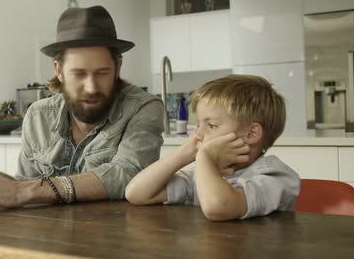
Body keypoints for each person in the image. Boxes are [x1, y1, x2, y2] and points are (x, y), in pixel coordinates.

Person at [0, 5, 164, 209]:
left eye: (102, 73)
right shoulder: (38, 115)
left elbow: (126, 173)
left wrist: (23, 190)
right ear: (58, 71)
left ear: (118, 69)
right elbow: (26, 188)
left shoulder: (143, 107)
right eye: (79, 74)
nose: (91, 87)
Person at [125, 75, 300, 221]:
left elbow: (217, 206)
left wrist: (205, 158)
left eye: (211, 125)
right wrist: (185, 153)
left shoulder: (274, 177)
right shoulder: (203, 172)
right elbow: (136, 193)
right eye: (199, 124)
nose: (197, 134)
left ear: (252, 133)